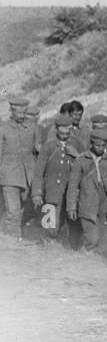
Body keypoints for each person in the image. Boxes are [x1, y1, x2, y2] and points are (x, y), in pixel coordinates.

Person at [66, 124, 107, 255]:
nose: (100, 148)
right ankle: (82, 257)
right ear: (91, 144)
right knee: (92, 238)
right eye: (97, 145)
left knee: (104, 243)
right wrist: (71, 207)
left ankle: (93, 264)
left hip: (106, 203)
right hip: (87, 201)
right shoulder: (81, 160)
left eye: (103, 145)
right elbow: (72, 186)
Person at [31, 114, 79, 244]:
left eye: (67, 131)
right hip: (51, 191)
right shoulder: (48, 146)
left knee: (65, 225)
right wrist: (37, 193)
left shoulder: (77, 145)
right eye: (61, 130)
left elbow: (83, 166)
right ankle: (47, 246)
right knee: (50, 225)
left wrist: (76, 155)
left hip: (69, 193)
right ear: (56, 129)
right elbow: (39, 172)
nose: (64, 134)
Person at [0, 96, 35, 238]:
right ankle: (11, 243)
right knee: (13, 211)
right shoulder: (3, 129)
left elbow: (36, 149)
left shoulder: (32, 127)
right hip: (9, 174)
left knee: (22, 210)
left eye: (24, 113)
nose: (21, 115)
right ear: (11, 111)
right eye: (18, 113)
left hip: (28, 175)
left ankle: (12, 236)